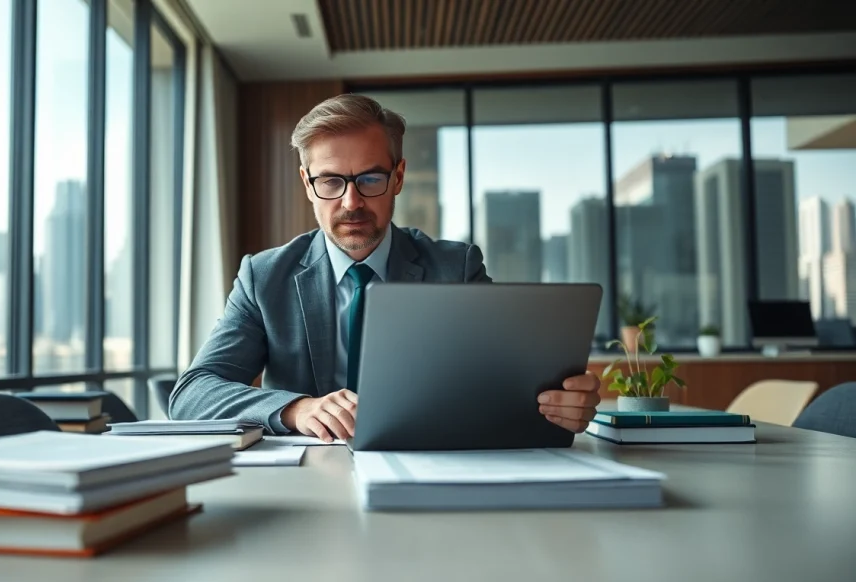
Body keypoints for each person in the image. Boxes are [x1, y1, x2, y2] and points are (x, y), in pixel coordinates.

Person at [169, 94, 601, 442]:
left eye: (370, 179)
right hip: (308, 482)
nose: (351, 202)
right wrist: (297, 408)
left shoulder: (456, 266)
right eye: (331, 181)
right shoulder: (264, 277)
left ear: (397, 177)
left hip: (432, 472)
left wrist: (559, 405)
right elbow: (191, 394)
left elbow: (505, 386)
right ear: (307, 184)